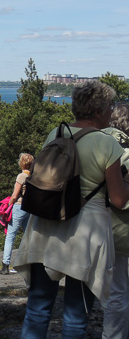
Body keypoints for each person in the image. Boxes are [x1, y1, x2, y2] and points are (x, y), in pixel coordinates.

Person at [14, 81, 129, 338]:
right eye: (109, 107)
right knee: (76, 318)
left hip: (47, 225)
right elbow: (119, 200)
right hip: (85, 235)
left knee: (37, 309)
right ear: (98, 110)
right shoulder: (108, 144)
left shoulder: (56, 133)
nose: (111, 112)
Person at [103, 102, 129, 339]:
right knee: (119, 292)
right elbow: (121, 199)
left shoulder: (96, 143)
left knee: (112, 290)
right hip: (121, 231)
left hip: (94, 228)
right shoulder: (126, 154)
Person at [0, 153, 34, 275]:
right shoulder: (34, 176)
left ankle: (5, 265)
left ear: (22, 163)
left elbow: (15, 195)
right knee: (28, 236)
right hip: (29, 208)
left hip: (19, 206)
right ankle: (27, 264)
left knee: (10, 236)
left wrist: (8, 205)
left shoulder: (21, 176)